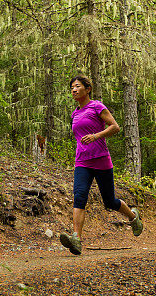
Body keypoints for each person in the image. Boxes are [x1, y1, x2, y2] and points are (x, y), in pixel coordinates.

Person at [60, 75, 143, 255]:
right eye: (72, 88)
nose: (74, 90)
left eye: (77, 86)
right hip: (82, 161)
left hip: (101, 160)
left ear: (87, 89)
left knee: (110, 201)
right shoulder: (75, 113)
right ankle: (76, 239)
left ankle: (133, 217)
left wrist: (96, 136)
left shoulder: (97, 106)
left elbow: (115, 127)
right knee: (79, 196)